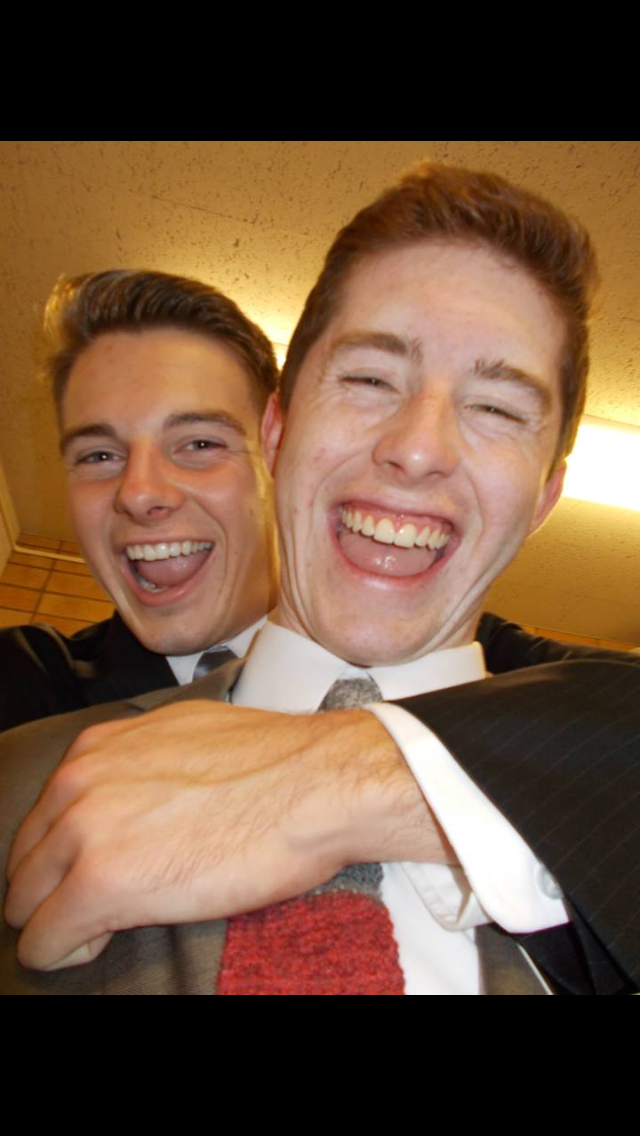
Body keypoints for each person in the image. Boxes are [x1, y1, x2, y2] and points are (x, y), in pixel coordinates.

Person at [3, 165, 639, 994]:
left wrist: (343, 779)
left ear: (544, 498)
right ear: (277, 431)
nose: (418, 447)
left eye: (497, 409)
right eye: (370, 378)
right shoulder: (23, 777)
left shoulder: (597, 804)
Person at [0, 271, 278, 730]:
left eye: (200, 444)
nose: (138, 493)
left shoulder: (398, 673)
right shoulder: (24, 684)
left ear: (279, 453)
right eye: (99, 455)